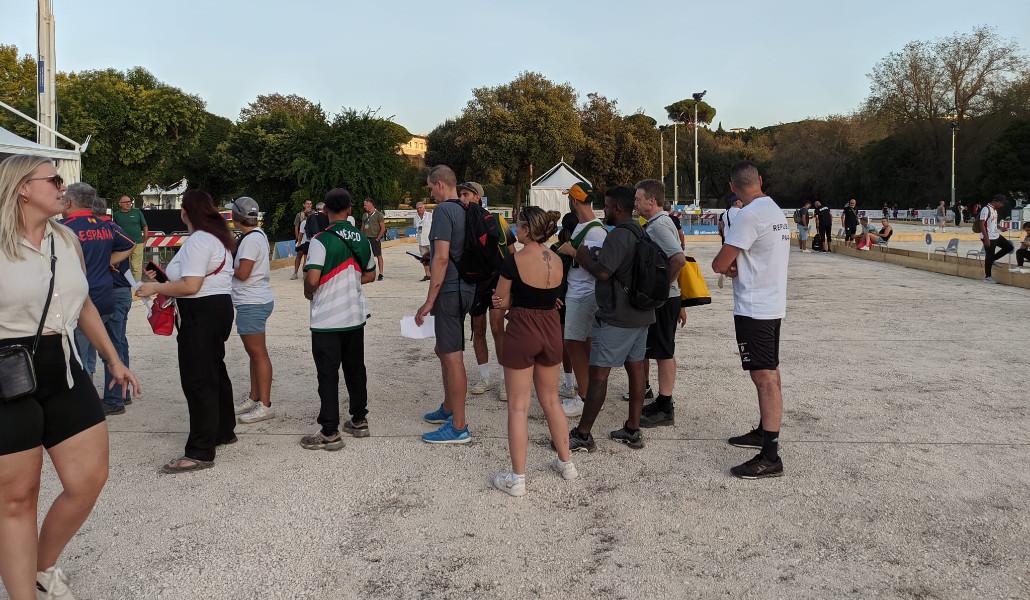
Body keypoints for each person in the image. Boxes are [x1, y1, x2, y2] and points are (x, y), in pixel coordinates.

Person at [0, 155, 140, 600]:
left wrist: (113, 359)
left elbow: (83, 305)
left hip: (63, 365)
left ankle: (41, 567)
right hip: (7, 373)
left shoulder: (66, 238)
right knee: (17, 498)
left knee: (88, 480)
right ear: (23, 187)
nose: (64, 186)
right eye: (55, 179)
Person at [137, 190, 236, 474]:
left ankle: (200, 450)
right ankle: (222, 429)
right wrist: (164, 278)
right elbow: (192, 280)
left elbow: (191, 286)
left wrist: (155, 286)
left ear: (185, 213)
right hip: (217, 308)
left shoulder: (198, 241)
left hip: (200, 312)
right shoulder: (216, 239)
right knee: (214, 371)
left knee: (198, 379)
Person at [489, 207, 577, 497]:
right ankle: (566, 463)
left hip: (523, 328)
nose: (515, 229)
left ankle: (518, 478)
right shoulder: (557, 258)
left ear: (527, 229)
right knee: (551, 400)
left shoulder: (514, 260)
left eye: (518, 225)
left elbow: (501, 301)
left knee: (518, 406)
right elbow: (554, 299)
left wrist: (502, 305)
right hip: (551, 328)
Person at [711, 161, 790, 479]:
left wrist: (730, 265)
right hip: (772, 304)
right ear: (759, 180)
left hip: (754, 307)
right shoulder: (774, 210)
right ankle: (763, 431)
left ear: (733, 187)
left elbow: (720, 264)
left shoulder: (748, 215)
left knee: (764, 378)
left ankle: (770, 456)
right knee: (770, 372)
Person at [563, 185, 655, 452]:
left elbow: (603, 272)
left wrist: (582, 256)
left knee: (599, 375)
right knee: (636, 371)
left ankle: (583, 434)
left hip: (618, 314)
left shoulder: (619, 235)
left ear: (618, 207)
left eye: (607, 205)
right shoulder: (640, 231)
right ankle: (633, 429)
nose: (604, 210)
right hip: (641, 312)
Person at [299, 188, 377, 451]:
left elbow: (312, 279)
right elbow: (370, 275)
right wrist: (348, 281)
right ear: (350, 210)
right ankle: (359, 420)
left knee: (328, 375)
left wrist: (308, 291)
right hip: (354, 316)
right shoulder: (361, 238)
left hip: (327, 320)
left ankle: (330, 431)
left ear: (325, 211)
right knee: (355, 370)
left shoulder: (320, 240)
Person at [61, 183, 135, 415]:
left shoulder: (64, 228)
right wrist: (106, 262)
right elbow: (130, 244)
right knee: (111, 348)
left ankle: (85, 405)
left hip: (82, 302)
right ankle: (116, 398)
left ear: (69, 202)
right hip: (105, 295)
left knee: (81, 355)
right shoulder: (106, 226)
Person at [416, 165, 477, 444]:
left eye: (431, 188)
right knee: (443, 348)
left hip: (449, 290)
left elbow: (441, 258)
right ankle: (449, 406)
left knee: (452, 355)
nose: (431, 194)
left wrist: (429, 300)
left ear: (440, 184)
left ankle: (458, 426)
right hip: (466, 287)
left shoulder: (443, 211)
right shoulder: (466, 208)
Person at [633, 179, 686, 428]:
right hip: (668, 298)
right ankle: (663, 401)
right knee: (661, 350)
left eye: (638, 199)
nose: (635, 203)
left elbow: (678, 259)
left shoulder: (660, 225)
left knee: (664, 352)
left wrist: (662, 288)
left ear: (652, 201)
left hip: (665, 300)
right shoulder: (658, 223)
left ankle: (665, 407)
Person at [554, 182, 606, 418]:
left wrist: (571, 252)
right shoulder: (586, 227)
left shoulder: (595, 231)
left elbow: (598, 266)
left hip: (583, 294)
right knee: (581, 345)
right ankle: (588, 394)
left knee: (574, 344)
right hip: (579, 293)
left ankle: (584, 396)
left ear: (574, 201)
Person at [460, 181, 512, 401]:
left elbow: (511, 252)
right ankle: (485, 377)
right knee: (478, 329)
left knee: (498, 328)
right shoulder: (461, 220)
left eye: (466, 194)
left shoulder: (498, 220)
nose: (462, 198)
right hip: (475, 282)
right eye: (460, 194)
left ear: (477, 197)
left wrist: (513, 284)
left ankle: (504, 379)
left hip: (498, 280)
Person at [227, 197, 275, 424]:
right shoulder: (257, 235)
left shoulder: (249, 241)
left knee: (258, 354)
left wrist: (223, 267)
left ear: (236, 217)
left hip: (251, 302)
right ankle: (254, 397)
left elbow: (243, 273)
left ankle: (265, 405)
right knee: (254, 354)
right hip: (256, 299)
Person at [111, 194, 148, 281]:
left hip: (137, 243)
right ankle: (125, 285)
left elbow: (145, 226)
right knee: (123, 267)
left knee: (136, 267)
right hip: (123, 245)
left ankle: (137, 286)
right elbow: (113, 229)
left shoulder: (137, 212)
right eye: (126, 202)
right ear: (120, 204)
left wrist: (145, 240)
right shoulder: (116, 215)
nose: (128, 203)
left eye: (129, 202)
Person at [980, 194, 1014, 283]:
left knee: (1009, 247)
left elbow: (993, 223)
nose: (1002, 205)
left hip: (995, 235)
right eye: (1002, 203)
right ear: (997, 202)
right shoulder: (986, 209)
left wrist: (1000, 228)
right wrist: (986, 238)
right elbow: (982, 224)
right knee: (989, 255)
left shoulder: (994, 210)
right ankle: (987, 277)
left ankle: (993, 260)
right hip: (988, 236)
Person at [362, 198, 386, 281]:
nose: (364, 206)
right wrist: (361, 237)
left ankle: (381, 273)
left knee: (378, 256)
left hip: (374, 238)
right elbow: (362, 227)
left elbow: (383, 228)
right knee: (365, 256)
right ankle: (366, 272)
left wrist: (378, 238)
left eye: (365, 205)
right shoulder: (364, 215)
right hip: (366, 239)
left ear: (371, 204)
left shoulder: (378, 214)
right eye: (364, 205)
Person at [291, 199, 314, 280]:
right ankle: (295, 273)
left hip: (310, 240)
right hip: (301, 239)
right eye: (307, 204)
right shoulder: (299, 215)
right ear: (304, 205)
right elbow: (296, 227)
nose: (309, 205)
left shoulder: (314, 214)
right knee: (299, 255)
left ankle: (306, 274)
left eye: (310, 204)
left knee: (307, 257)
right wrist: (297, 239)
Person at [414, 201, 432, 281]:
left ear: (424, 208)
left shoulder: (430, 215)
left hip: (430, 241)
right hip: (421, 242)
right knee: (424, 259)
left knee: (433, 259)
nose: (419, 209)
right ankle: (428, 275)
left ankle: (435, 275)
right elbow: (416, 228)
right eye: (417, 208)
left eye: (420, 207)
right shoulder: (415, 217)